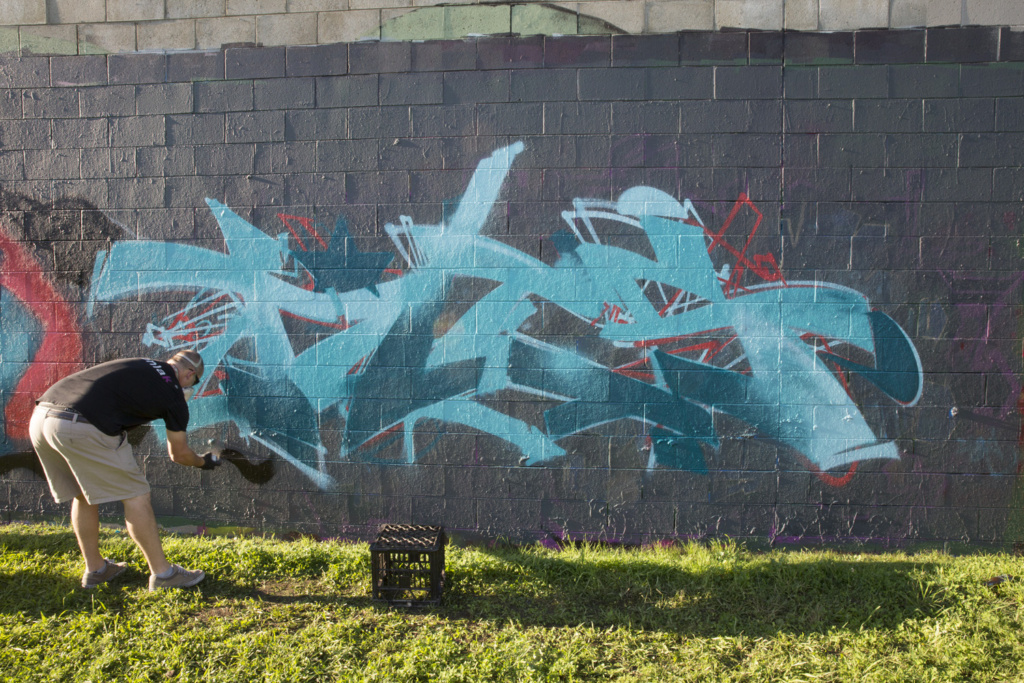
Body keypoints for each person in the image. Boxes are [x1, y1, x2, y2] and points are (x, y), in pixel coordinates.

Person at [29, 350, 222, 591]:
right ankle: (164, 574)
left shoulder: (141, 363)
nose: (190, 387)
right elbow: (179, 454)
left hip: (42, 418)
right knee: (136, 496)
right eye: (193, 382)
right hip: (81, 425)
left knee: (83, 494)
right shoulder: (173, 394)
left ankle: (96, 570)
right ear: (190, 373)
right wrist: (203, 462)